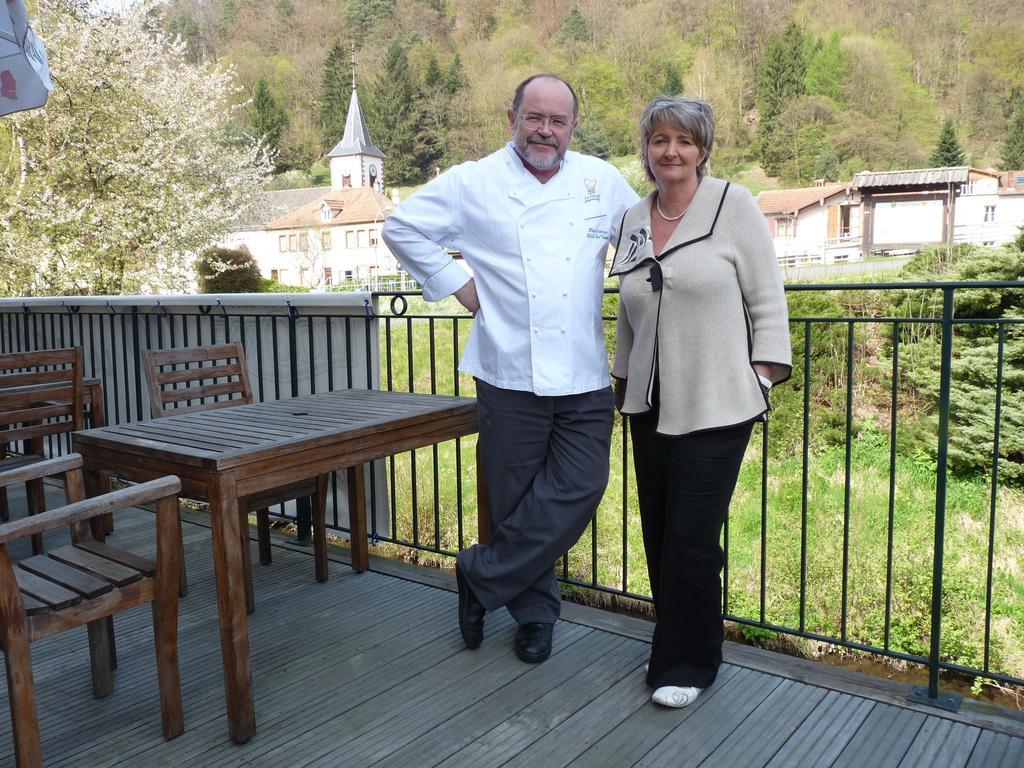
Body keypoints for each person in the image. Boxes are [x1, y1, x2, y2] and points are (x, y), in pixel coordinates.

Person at [382, 74, 639, 664]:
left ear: (575, 126)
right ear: (512, 118)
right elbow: (401, 226)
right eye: (534, 117)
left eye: (557, 120)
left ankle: (479, 574)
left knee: (581, 485)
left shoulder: (603, 181)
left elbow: (648, 239)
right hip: (506, 370)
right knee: (515, 497)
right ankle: (535, 617)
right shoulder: (474, 182)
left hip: (583, 374)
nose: (545, 130)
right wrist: (457, 285)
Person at [609, 95, 791, 707]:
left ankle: (688, 664)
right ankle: (678, 640)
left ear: (703, 149)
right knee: (660, 532)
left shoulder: (733, 204)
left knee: (691, 537)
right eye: (660, 140)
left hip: (718, 403)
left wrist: (762, 375)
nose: (671, 151)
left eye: (684, 141)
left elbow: (766, 295)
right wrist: (622, 378)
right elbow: (630, 308)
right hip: (651, 403)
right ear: (647, 150)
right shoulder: (634, 216)